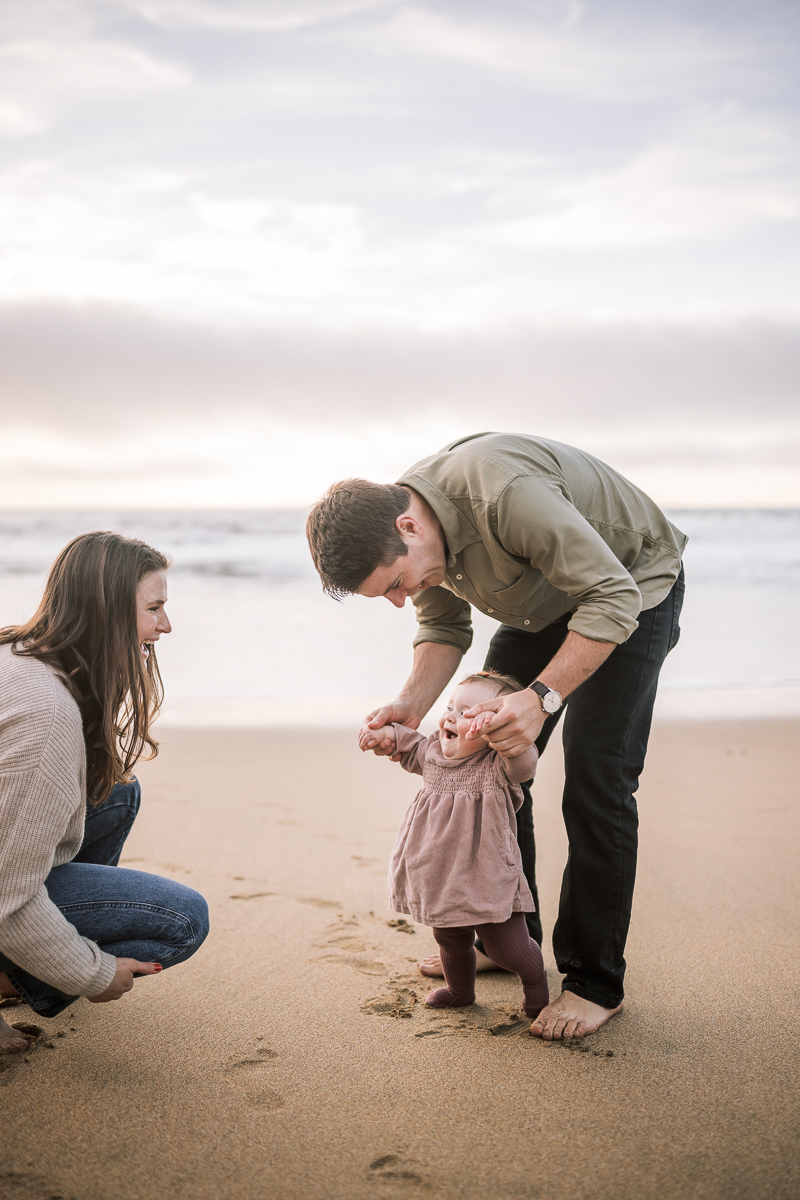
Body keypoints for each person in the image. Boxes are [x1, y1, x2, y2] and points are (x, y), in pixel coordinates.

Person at [307, 432, 686, 1041]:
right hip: (543, 607)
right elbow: (444, 625)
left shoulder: (503, 494)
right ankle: (505, 935)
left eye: (397, 583)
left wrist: (540, 700)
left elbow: (611, 594)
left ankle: (595, 982)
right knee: (490, 768)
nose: (402, 601)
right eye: (388, 596)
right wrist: (409, 707)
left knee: (597, 779)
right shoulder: (412, 525)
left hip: (630, 589)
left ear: (408, 527)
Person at [0, 532, 209, 1055]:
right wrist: (91, 972)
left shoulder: (16, 650)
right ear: (106, 613)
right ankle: (24, 971)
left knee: (116, 794)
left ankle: (22, 968)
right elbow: (5, 893)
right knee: (183, 921)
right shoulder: (46, 714)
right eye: (154, 608)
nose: (166, 625)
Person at [360, 670, 550, 1022]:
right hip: (438, 873)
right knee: (449, 938)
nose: (450, 716)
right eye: (450, 707)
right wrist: (387, 734)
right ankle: (460, 991)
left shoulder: (497, 765)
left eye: (467, 713)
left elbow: (525, 765)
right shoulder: (433, 750)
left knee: (508, 948)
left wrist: (508, 737)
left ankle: (535, 982)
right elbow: (409, 745)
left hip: (486, 875)